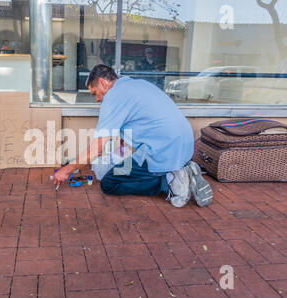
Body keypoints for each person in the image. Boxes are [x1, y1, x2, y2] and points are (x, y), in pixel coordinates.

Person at [52, 64, 213, 207]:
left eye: (96, 93)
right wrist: (121, 153)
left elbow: (97, 149)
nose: (97, 99)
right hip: (185, 144)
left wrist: (66, 171)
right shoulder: (139, 84)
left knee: (109, 183)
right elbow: (135, 129)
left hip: (163, 150)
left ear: (103, 82)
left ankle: (170, 181)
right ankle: (183, 168)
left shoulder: (113, 97)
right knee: (124, 167)